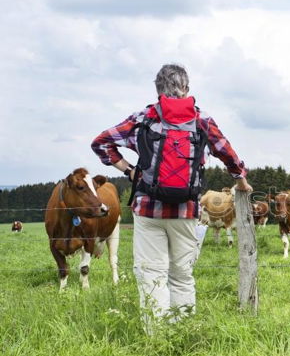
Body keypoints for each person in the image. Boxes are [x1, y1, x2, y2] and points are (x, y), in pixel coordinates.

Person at [92, 64, 251, 330]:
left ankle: (157, 335)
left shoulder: (144, 117)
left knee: (152, 275)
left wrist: (130, 171)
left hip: (147, 209)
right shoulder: (202, 120)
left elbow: (101, 143)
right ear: (187, 88)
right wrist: (241, 180)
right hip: (186, 210)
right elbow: (228, 154)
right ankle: (183, 331)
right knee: (181, 275)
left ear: (157, 91)